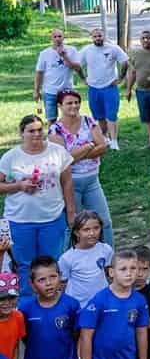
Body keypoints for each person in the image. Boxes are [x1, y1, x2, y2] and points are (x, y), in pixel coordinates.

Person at [1, 115, 76, 296]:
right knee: (25, 264)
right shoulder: (11, 157)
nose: (36, 134)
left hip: (52, 218)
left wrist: (71, 212)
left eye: (39, 130)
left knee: (50, 262)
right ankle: (27, 303)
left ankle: (53, 301)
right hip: (19, 220)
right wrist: (19, 186)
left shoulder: (57, 152)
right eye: (31, 131)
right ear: (21, 133)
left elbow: (67, 183)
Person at [49, 88, 113, 246]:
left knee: (105, 221)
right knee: (73, 225)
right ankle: (70, 261)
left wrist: (75, 154)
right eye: (69, 103)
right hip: (71, 184)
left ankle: (109, 260)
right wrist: (89, 146)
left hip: (92, 180)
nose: (74, 106)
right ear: (60, 105)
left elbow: (103, 147)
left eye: (77, 102)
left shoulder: (88, 121)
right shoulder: (55, 130)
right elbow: (64, 161)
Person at [78, 27, 129, 148]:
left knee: (111, 115)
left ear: (104, 36)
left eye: (100, 36)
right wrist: (83, 78)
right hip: (94, 88)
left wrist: (121, 78)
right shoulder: (86, 50)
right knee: (99, 115)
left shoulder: (113, 48)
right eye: (95, 36)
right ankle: (104, 137)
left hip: (109, 87)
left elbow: (125, 62)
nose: (97, 38)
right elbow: (77, 65)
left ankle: (114, 141)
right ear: (92, 38)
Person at [59, 211, 112, 305]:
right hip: (79, 305)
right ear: (76, 232)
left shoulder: (106, 249)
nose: (92, 233)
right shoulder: (67, 258)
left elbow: (108, 272)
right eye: (86, 229)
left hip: (103, 302)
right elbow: (62, 283)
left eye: (96, 228)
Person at [34, 28, 81, 122]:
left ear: (63, 37)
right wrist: (36, 91)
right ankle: (53, 136)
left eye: (60, 36)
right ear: (51, 38)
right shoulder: (44, 53)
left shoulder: (72, 50)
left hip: (67, 90)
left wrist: (64, 56)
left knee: (71, 116)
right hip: (49, 91)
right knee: (52, 119)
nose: (57, 39)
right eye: (55, 37)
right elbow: (39, 72)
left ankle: (70, 135)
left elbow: (77, 67)